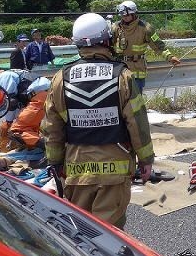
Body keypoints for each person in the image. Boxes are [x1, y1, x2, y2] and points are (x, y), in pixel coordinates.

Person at [43, 13, 155, 228]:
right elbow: (137, 123)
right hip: (115, 168)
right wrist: (146, 160)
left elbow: (51, 127)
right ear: (107, 40)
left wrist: (55, 163)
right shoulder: (123, 75)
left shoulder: (60, 78)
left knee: (82, 231)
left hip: (77, 171)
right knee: (110, 234)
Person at [111, 0, 180, 93]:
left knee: (136, 101)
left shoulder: (145, 28)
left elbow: (158, 45)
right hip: (119, 68)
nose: (125, 18)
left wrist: (170, 57)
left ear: (134, 14)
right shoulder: (115, 27)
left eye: (127, 15)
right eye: (122, 15)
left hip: (137, 70)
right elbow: (108, 46)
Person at [0, 63, 34, 152]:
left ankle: (7, 150)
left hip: (34, 102)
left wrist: (8, 121)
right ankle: (27, 148)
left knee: (15, 128)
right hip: (32, 102)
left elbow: (11, 102)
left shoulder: (4, 76)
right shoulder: (10, 73)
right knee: (28, 128)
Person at [8, 77, 51, 151]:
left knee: (16, 131)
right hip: (47, 91)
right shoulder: (24, 76)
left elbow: (16, 130)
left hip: (39, 94)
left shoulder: (6, 76)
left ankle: (51, 147)